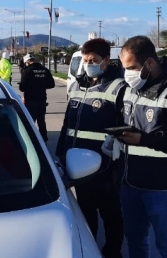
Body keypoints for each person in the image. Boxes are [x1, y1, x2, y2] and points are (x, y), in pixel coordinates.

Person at [116, 36, 167, 258]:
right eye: (125, 68)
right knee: (135, 242)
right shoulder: (131, 89)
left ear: (149, 63)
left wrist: (144, 139)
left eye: (132, 67)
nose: (128, 74)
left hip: (162, 186)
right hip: (129, 181)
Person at [55, 38, 125, 258]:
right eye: (85, 60)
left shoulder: (118, 87)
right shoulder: (77, 85)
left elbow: (125, 126)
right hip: (78, 165)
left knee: (111, 214)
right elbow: (68, 124)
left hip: (105, 166)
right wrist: (60, 154)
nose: (88, 63)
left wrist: (116, 159)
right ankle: (90, 251)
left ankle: (113, 253)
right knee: (85, 215)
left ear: (106, 61)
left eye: (93, 60)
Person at [19, 53, 55, 142]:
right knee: (41, 121)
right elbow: (51, 84)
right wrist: (41, 85)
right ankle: (44, 139)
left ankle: (31, 140)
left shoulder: (27, 71)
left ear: (27, 63)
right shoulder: (45, 70)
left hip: (30, 100)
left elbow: (22, 87)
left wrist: (31, 86)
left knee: (30, 121)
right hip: (42, 99)